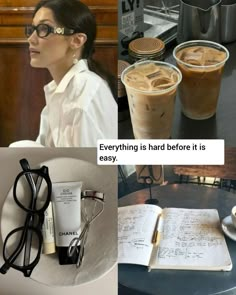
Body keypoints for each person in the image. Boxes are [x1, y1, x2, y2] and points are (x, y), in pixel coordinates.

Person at [15, 0, 117, 147]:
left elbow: (88, 168)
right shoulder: (58, 91)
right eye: (32, 29)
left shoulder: (83, 91)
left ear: (76, 40)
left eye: (44, 29)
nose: (31, 39)